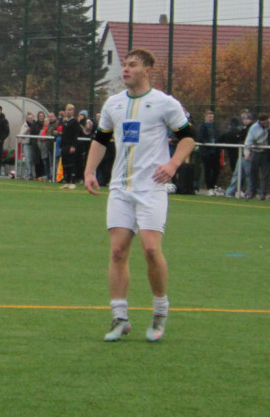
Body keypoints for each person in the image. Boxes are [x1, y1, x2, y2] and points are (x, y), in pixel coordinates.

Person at [84, 48, 195, 343]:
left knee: (150, 250)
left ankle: (160, 311)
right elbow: (101, 140)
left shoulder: (165, 103)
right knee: (118, 251)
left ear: (148, 70)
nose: (126, 70)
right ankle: (120, 318)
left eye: (132, 65)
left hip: (151, 188)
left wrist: (173, 164)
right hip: (121, 188)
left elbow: (188, 136)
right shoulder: (113, 104)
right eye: (125, 65)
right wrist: (89, 171)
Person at [195, 111, 220, 195]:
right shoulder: (202, 127)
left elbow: (218, 137)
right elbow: (200, 138)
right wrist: (208, 143)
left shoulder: (215, 127)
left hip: (215, 152)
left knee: (216, 170)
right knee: (207, 170)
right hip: (206, 152)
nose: (211, 118)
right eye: (209, 117)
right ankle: (209, 188)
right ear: (205, 117)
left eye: (212, 117)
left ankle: (213, 186)